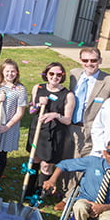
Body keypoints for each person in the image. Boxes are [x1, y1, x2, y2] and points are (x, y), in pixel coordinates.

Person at [25, 62, 75, 195]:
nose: (55, 77)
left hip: (54, 133)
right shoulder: (38, 87)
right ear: (46, 74)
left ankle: (42, 192)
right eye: (51, 73)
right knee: (34, 160)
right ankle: (28, 190)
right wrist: (37, 104)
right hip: (38, 130)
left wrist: (56, 115)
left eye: (59, 74)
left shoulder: (68, 95)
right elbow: (31, 110)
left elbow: (67, 120)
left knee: (46, 164)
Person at [69, 47, 110, 158]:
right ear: (80, 60)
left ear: (100, 61)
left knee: (82, 162)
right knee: (65, 160)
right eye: (85, 60)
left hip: (90, 130)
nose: (89, 63)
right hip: (69, 126)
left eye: (93, 60)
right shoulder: (74, 75)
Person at [0, 59, 27, 184]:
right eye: (7, 71)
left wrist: (7, 126)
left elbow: (20, 112)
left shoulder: (20, 89)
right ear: (2, 71)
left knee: (2, 154)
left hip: (8, 125)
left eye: (13, 71)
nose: (10, 74)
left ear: (17, 73)